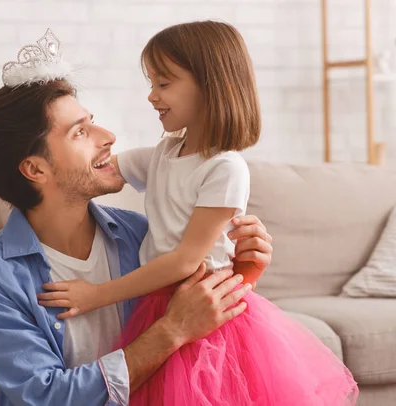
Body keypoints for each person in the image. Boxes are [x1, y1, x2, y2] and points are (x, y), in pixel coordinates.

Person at [39, 21, 359, 405]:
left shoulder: (224, 168)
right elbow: (95, 171)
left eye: (164, 83)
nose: (152, 97)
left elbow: (184, 261)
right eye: (151, 84)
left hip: (203, 308)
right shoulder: (164, 154)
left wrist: (97, 295)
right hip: (160, 306)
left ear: (210, 85)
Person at [0, 28, 273, 406]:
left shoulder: (141, 236)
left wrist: (243, 268)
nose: (107, 136)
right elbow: (48, 398)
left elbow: (210, 330)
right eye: (80, 132)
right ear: (35, 170)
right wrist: (170, 332)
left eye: (93, 121)